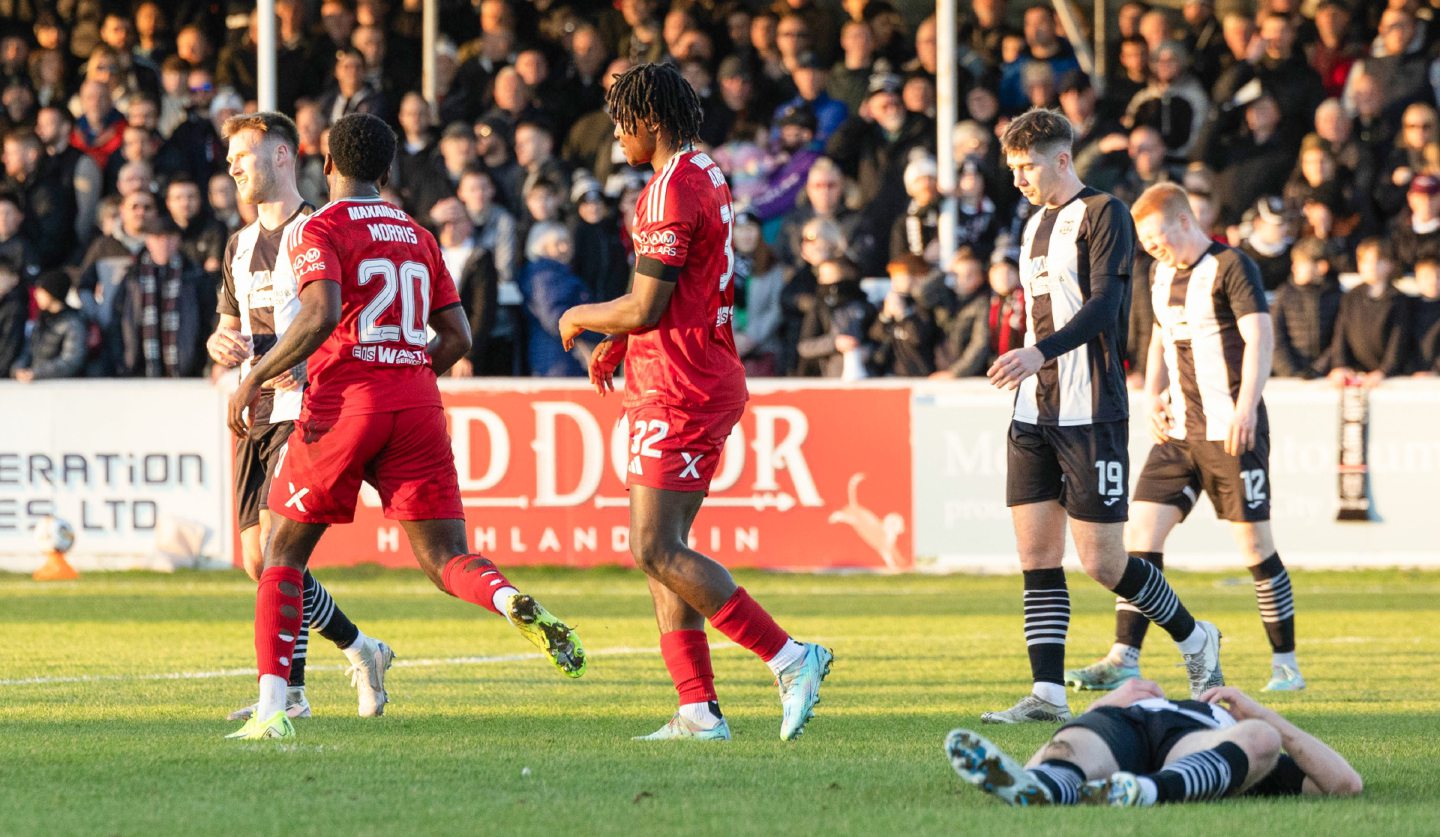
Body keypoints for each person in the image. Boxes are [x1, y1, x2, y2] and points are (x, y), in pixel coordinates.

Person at [223, 112, 586, 742]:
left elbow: (319, 314)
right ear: (388, 171)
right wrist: (406, 372)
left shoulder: (322, 226)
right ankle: (506, 599)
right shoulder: (418, 233)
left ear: (327, 166)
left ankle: (275, 709)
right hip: (415, 402)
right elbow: (459, 336)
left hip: (344, 405)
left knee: (279, 556)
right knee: (446, 557)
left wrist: (256, 377)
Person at [557, 63, 831, 742]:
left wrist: (585, 315)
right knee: (664, 546)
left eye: (624, 122)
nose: (618, 134)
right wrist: (623, 344)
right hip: (682, 370)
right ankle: (699, 709)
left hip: (680, 386)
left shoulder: (669, 189)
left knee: (653, 545)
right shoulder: (703, 172)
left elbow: (648, 301)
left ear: (651, 122)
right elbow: (680, 288)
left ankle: (792, 658)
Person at [983, 108, 1222, 725]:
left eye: (1027, 166)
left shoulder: (1105, 212)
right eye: (1012, 168)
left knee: (1103, 564)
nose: (1019, 180)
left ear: (1063, 159)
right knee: (1037, 557)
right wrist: (1024, 358)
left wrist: (1039, 351)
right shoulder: (1032, 225)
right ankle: (1047, 695)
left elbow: (1106, 306)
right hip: (1032, 409)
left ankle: (1196, 638)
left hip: (1091, 410)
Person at [1067, 183, 1303, 696]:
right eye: (1145, 242)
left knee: (1254, 546)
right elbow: (1158, 339)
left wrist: (1246, 407)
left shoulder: (1231, 266)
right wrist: (1152, 395)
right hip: (1177, 435)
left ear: (1182, 221)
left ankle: (1285, 663)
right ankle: (1124, 656)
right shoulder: (1158, 274)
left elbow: (1260, 337)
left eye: (1155, 238)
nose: (1152, 248)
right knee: (1138, 540)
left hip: (1230, 430)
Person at [207, 111, 393, 723]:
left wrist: (310, 365)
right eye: (230, 155)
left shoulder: (320, 229)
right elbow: (225, 329)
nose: (232, 164)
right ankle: (362, 648)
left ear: (284, 156)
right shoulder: (235, 246)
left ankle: (289, 692)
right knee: (259, 563)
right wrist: (219, 346)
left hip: (305, 410)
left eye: (243, 153)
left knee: (280, 557)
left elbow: (340, 316)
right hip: (252, 412)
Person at [946, 677, 1361, 807]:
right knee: (1064, 756)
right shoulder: (1127, 704)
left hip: (1196, 742)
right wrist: (1103, 705)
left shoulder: (1228, 722)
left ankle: (1142, 791)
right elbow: (1040, 756)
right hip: (1121, 725)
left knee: (1262, 738)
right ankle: (1041, 790)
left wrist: (1258, 713)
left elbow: (1344, 784)